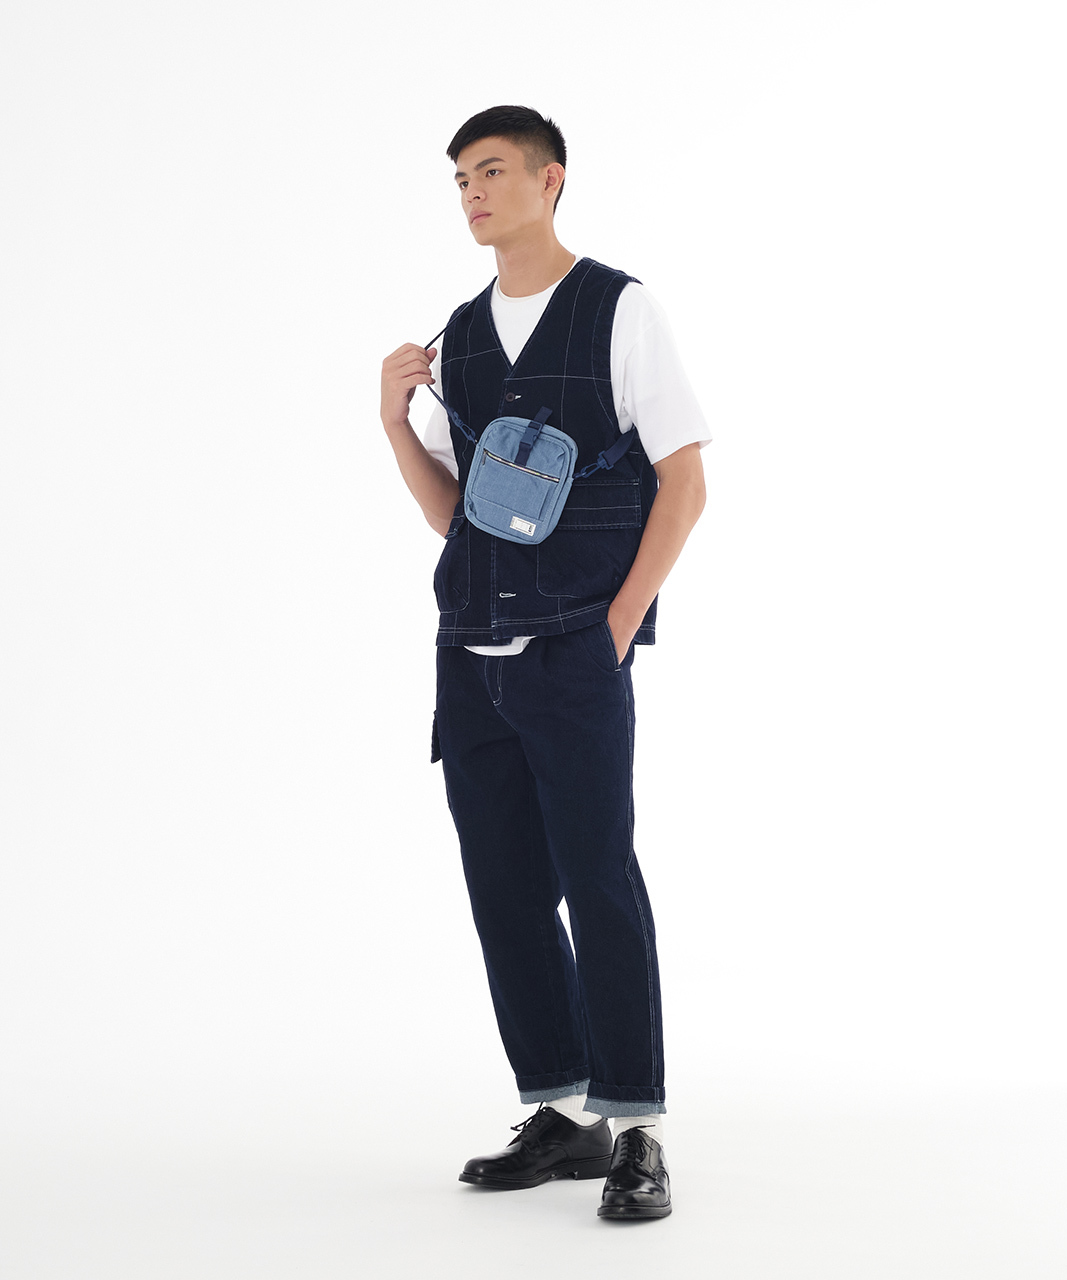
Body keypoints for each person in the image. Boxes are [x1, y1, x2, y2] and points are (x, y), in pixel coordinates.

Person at [379, 105, 710, 1221]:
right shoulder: (463, 335)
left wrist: (615, 628)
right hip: (469, 658)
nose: (472, 193)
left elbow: (684, 484)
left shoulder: (620, 308)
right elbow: (460, 518)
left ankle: (638, 1127)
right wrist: (395, 423)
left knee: (599, 880)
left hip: (574, 652)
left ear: (549, 179)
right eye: (459, 180)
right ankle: (563, 1112)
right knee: (506, 892)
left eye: (490, 171)